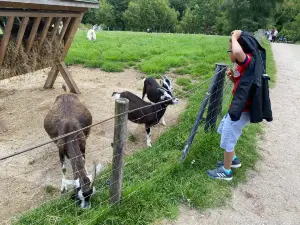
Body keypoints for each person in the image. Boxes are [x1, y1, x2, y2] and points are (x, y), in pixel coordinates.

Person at [207, 30, 254, 181]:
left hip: (241, 111)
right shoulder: (241, 67)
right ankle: (233, 160)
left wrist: (234, 37)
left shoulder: (248, 60)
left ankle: (226, 172)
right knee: (224, 130)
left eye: (230, 50)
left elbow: (239, 53)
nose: (229, 53)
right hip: (237, 109)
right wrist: (234, 80)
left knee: (228, 139)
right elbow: (243, 86)